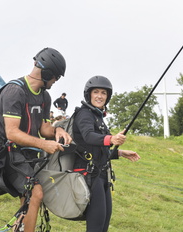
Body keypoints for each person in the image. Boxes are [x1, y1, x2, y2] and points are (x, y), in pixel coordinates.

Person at [0, 47, 72, 232]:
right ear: (47, 73)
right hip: (9, 154)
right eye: (56, 77)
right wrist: (43, 144)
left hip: (28, 155)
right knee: (35, 193)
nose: (55, 82)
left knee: (28, 198)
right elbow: (11, 133)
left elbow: (44, 128)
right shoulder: (15, 91)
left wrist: (57, 131)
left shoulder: (44, 96)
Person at [73, 75, 140, 232]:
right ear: (89, 94)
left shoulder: (98, 117)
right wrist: (112, 139)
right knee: (96, 226)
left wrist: (121, 153)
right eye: (96, 92)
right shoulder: (84, 114)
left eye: (103, 93)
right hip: (88, 175)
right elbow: (88, 136)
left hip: (102, 175)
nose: (100, 96)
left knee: (103, 224)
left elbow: (99, 149)